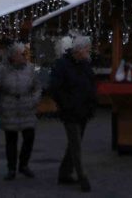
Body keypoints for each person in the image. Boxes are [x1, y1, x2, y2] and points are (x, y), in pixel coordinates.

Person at [49, 35, 97, 192]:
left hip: (83, 110)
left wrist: (91, 102)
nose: (89, 52)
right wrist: (66, 104)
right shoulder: (62, 65)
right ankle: (83, 177)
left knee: (74, 143)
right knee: (75, 144)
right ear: (79, 50)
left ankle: (64, 172)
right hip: (70, 111)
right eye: (87, 49)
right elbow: (55, 88)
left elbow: (90, 84)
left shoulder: (85, 64)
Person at [0, 42, 42, 180]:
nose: (24, 56)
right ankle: (11, 168)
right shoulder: (2, 70)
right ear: (13, 56)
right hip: (9, 107)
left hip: (26, 107)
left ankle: (24, 164)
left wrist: (34, 101)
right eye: (21, 54)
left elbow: (37, 87)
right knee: (11, 140)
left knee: (29, 137)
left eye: (25, 54)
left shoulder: (30, 69)